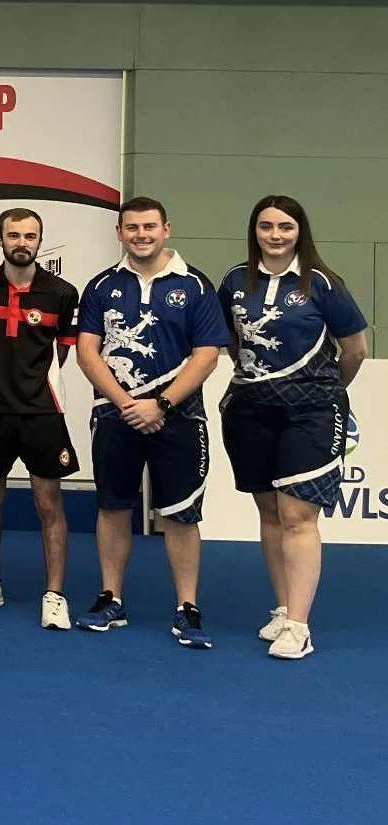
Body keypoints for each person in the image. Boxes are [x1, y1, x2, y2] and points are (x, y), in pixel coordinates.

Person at [219, 195, 370, 660]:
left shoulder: (323, 283)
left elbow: (356, 350)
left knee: (298, 516)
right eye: (266, 226)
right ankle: (284, 609)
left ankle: (300, 628)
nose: (276, 235)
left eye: (285, 226)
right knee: (269, 512)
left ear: (300, 231)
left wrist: (323, 392)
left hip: (313, 413)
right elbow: (231, 342)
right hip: (249, 410)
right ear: (254, 231)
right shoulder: (234, 280)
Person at [72, 198, 228, 648]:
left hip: (179, 417)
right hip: (115, 414)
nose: (141, 235)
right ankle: (111, 598)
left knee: (180, 514)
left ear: (166, 229)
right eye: (132, 227)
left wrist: (160, 403)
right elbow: (87, 351)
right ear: (120, 232)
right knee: (113, 507)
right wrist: (126, 403)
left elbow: (207, 355)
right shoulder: (101, 285)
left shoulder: (195, 284)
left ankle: (187, 607)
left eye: (149, 227)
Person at [0, 208, 80, 630]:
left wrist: (28, 381)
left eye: (29, 236)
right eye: (13, 235)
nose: (21, 243)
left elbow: (62, 351)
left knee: (48, 503)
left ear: (40, 241)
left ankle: (54, 594)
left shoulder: (62, 292)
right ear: (0, 238)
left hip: (42, 412)